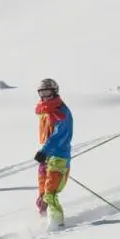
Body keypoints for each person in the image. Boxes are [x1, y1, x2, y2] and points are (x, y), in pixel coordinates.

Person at [33, 78, 73, 226]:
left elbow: (59, 135)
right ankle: (43, 221)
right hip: (47, 156)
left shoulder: (61, 112)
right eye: (42, 93)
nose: (45, 96)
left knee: (50, 194)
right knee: (42, 195)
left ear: (54, 92)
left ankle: (57, 224)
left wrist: (45, 150)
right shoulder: (46, 111)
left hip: (59, 156)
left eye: (48, 93)